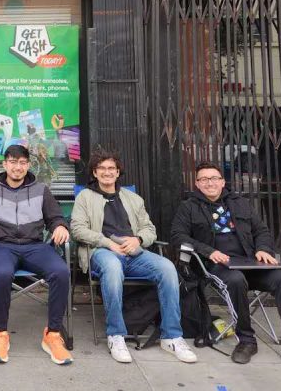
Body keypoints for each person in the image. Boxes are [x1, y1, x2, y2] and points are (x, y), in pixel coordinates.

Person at [170, 161, 281, 380]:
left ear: (222, 182)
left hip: (250, 262)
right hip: (216, 266)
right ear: (197, 184)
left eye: (214, 178)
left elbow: (262, 230)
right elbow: (178, 236)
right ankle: (246, 340)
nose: (209, 183)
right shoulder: (188, 207)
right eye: (203, 179)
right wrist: (208, 251)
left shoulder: (240, 203)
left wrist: (263, 249)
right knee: (234, 280)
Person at [70, 149, 197, 364]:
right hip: (102, 252)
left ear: (118, 172)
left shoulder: (133, 199)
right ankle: (116, 335)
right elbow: (77, 229)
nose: (107, 172)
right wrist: (107, 242)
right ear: (94, 172)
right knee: (112, 268)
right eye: (102, 168)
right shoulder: (85, 196)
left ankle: (172, 336)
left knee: (167, 268)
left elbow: (150, 229)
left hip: (134, 253)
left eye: (111, 168)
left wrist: (137, 239)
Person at [0, 144, 73, 365]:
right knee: (3, 274)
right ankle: (1, 334)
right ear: (5, 164)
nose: (17, 167)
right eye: (13, 162)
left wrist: (60, 227)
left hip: (34, 246)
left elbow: (55, 217)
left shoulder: (40, 189)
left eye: (22, 162)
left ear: (28, 165)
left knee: (61, 271)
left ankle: (53, 334)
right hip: (1, 246)